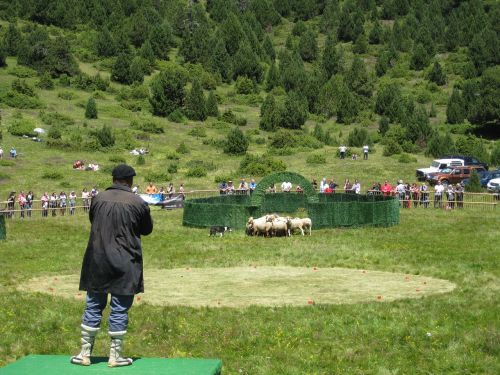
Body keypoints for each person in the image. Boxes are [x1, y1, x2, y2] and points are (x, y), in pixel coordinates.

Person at [71, 164, 153, 367]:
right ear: (130, 181)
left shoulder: (97, 199)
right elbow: (147, 230)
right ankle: (115, 357)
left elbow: (93, 221)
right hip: (126, 260)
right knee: (119, 309)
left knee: (93, 305)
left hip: (97, 259)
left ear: (114, 179)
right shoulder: (138, 202)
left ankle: (84, 354)